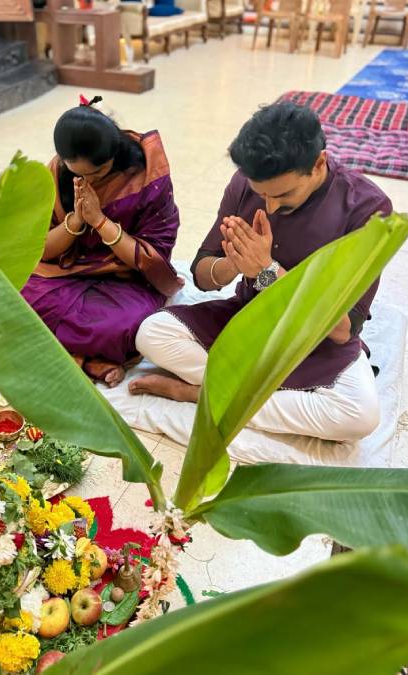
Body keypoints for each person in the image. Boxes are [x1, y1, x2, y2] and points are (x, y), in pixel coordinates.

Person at [130, 102, 391, 442]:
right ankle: (257, 398)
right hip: (247, 318)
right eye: (261, 194)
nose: (270, 206)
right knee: (152, 334)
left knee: (359, 417)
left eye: (283, 194)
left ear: (319, 163)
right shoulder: (246, 182)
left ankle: (200, 393)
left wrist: (267, 271)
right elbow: (202, 274)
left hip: (315, 339)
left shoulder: (367, 209)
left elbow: (344, 330)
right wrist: (233, 264)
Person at [21, 98, 183, 387]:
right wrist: (76, 221)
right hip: (67, 271)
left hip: (127, 279)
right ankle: (88, 360)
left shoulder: (148, 175)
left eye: (96, 173)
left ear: (114, 154)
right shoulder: (57, 171)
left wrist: (99, 221)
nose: (88, 181)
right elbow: (41, 249)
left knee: (125, 327)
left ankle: (75, 355)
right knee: (14, 296)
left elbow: (154, 256)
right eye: (78, 173)